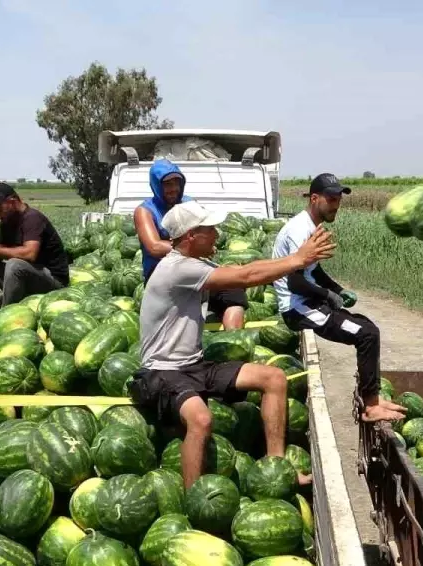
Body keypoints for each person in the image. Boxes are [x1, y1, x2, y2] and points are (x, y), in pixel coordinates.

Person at [129, 200, 336, 489]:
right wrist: (298, 260)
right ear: (191, 236)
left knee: (274, 378)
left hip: (193, 365)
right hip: (162, 372)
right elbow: (245, 277)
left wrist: (294, 259)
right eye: (210, 229)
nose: (217, 233)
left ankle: (277, 467)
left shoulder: (194, 263)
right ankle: (194, 497)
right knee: (200, 420)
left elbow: (246, 268)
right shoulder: (178, 269)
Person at [273, 173, 405, 423]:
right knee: (366, 334)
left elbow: (314, 270)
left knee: (366, 326)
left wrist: (338, 289)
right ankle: (371, 406)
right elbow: (295, 281)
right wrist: (327, 295)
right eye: (331, 199)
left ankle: (373, 397)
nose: (336, 205)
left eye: (339, 200)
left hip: (309, 302)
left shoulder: (311, 226)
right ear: (314, 199)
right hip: (298, 309)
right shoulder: (299, 231)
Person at [134, 159, 246, 330]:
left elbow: (204, 230)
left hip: (194, 269)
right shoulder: (145, 211)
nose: (173, 189)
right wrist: (190, 245)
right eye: (167, 184)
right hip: (163, 276)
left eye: (177, 183)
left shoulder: (188, 203)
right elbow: (154, 247)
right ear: (156, 185)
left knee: (233, 287)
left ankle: (235, 339)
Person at [0, 181, 69, 306]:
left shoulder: (32, 218)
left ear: (12, 201)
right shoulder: (7, 221)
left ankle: (6, 313)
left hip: (53, 282)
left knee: (15, 265)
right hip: (29, 277)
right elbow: (4, 248)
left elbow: (30, 254)